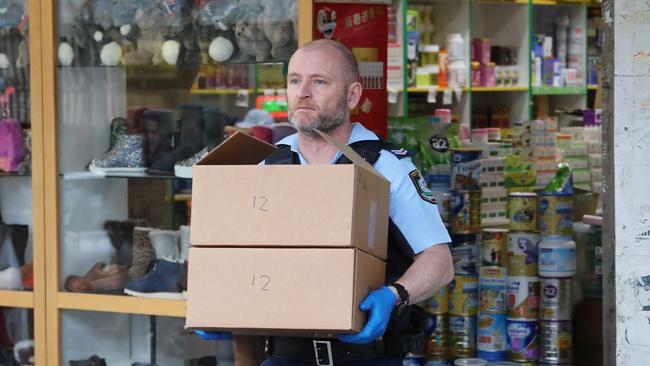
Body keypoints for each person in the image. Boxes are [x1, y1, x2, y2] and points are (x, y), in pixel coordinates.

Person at [197, 39, 454, 365]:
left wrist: (394, 296)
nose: (302, 92)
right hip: (284, 356)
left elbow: (440, 262)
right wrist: (221, 300)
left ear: (353, 95)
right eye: (294, 81)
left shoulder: (384, 166)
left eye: (319, 81)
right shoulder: (269, 165)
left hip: (366, 358)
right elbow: (238, 255)